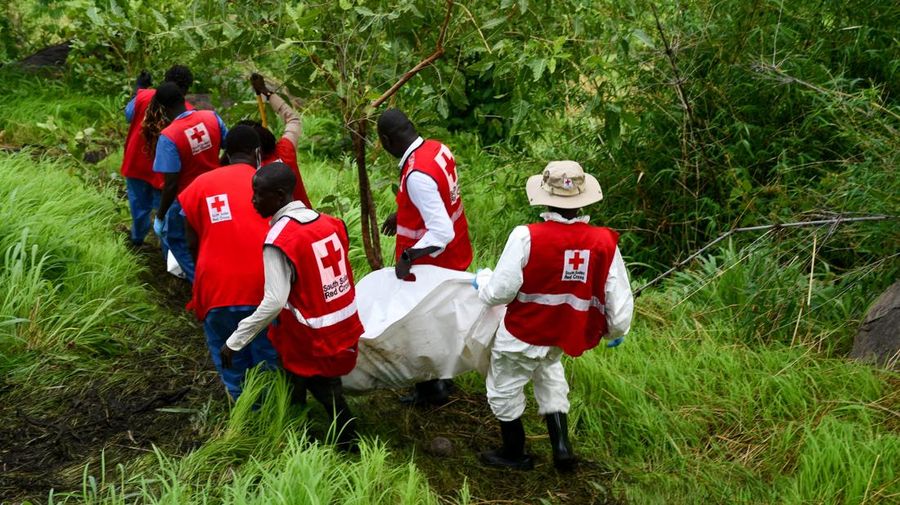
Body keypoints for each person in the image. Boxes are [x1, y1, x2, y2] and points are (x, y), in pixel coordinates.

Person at [474, 160, 634, 471]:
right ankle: (561, 448)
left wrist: (482, 282)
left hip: (523, 332)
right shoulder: (604, 241)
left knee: (503, 387)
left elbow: (500, 292)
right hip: (563, 334)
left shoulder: (526, 236)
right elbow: (619, 295)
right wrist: (616, 331)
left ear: (545, 197)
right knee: (549, 374)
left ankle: (514, 453)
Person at [221, 162, 364, 450]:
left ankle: (350, 445)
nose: (253, 200)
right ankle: (295, 427)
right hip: (344, 324)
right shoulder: (331, 222)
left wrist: (236, 341)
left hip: (311, 335)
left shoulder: (280, 240)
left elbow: (274, 301)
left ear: (280, 194)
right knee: (296, 379)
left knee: (326, 391)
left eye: (258, 194)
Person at [376, 108, 473, 406]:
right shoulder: (436, 148)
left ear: (387, 140)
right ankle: (444, 379)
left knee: (422, 325)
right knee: (443, 321)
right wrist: (403, 211)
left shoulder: (417, 175)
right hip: (457, 251)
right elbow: (439, 196)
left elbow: (440, 231)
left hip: (433, 262)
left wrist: (408, 255)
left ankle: (432, 391)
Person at [177, 125, 278, 400]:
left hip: (216, 288)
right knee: (268, 356)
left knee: (229, 354)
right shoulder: (270, 184)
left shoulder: (201, 184)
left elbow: (189, 240)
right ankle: (272, 412)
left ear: (226, 152)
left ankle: (242, 410)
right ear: (258, 153)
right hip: (265, 286)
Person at [151, 82, 228, 282]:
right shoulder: (211, 117)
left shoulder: (169, 137)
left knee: (176, 238)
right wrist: (219, 166)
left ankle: (201, 285)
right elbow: (231, 146)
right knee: (212, 237)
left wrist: (160, 216)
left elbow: (171, 184)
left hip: (188, 198)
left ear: (162, 108)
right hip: (217, 191)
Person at [120, 65, 192, 247]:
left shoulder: (143, 96)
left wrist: (138, 88)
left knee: (138, 208)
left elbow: (129, 115)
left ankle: (136, 240)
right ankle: (168, 254)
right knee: (165, 214)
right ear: (187, 89)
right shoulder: (188, 111)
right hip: (164, 173)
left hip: (136, 164)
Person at [236, 73, 312, 208]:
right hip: (307, 216)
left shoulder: (253, 173)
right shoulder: (285, 150)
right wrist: (267, 92)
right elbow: (292, 119)